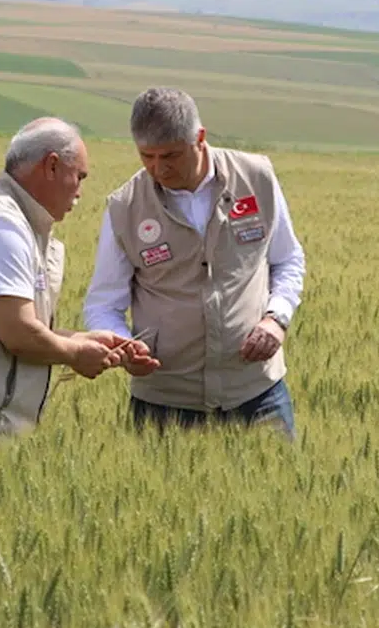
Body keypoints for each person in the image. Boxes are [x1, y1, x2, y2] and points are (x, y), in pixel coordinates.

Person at [0, 117, 158, 438]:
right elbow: (18, 333)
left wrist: (82, 340)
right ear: (51, 166)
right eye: (78, 177)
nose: (79, 193)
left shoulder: (20, 224)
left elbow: (11, 329)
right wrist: (75, 355)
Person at [84, 88, 306, 438]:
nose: (159, 168)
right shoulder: (124, 207)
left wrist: (276, 319)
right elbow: (103, 304)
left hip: (256, 391)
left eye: (171, 155)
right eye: (147, 156)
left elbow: (287, 259)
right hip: (165, 402)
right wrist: (125, 346)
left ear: (200, 138)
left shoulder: (257, 177)